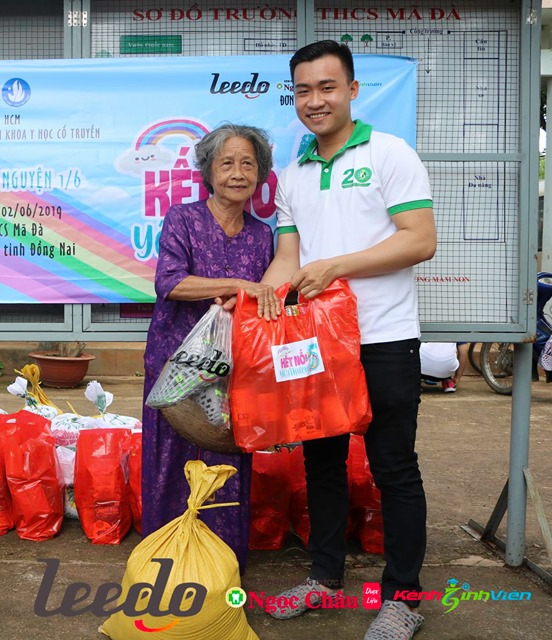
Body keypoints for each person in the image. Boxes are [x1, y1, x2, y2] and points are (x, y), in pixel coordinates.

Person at [258, 41, 436, 639]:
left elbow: (419, 240)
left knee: (393, 467)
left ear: (353, 90)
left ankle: (403, 598)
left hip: (384, 338)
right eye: (303, 90)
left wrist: (336, 267)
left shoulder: (390, 153)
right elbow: (287, 260)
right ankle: (324, 578)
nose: (315, 100)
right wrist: (255, 300)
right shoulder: (293, 175)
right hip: (315, 344)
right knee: (322, 465)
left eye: (327, 87)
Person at [142, 123, 279, 568]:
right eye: (227, 163)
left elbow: (265, 300)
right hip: (176, 363)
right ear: (208, 170)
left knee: (226, 459)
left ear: (260, 174)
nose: (238, 173)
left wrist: (244, 300)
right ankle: (166, 561)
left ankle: (220, 562)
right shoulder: (182, 219)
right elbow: (170, 283)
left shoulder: (262, 235)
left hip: (233, 369)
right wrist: (237, 284)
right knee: (171, 459)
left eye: (248, 164)